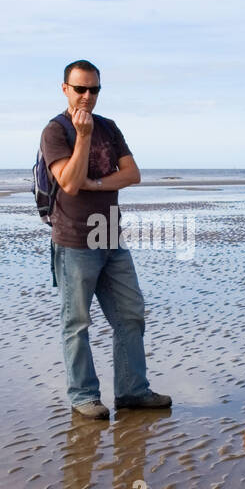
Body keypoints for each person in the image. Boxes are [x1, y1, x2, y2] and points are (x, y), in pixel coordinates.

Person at [40, 60, 172, 419]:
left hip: (111, 237)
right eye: (80, 89)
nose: (87, 97)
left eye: (94, 89)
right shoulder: (56, 131)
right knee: (77, 323)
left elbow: (133, 173)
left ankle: (132, 391)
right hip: (74, 242)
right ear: (64, 88)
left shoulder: (110, 128)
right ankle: (84, 396)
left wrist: (96, 183)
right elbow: (68, 182)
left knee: (131, 314)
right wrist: (82, 138)